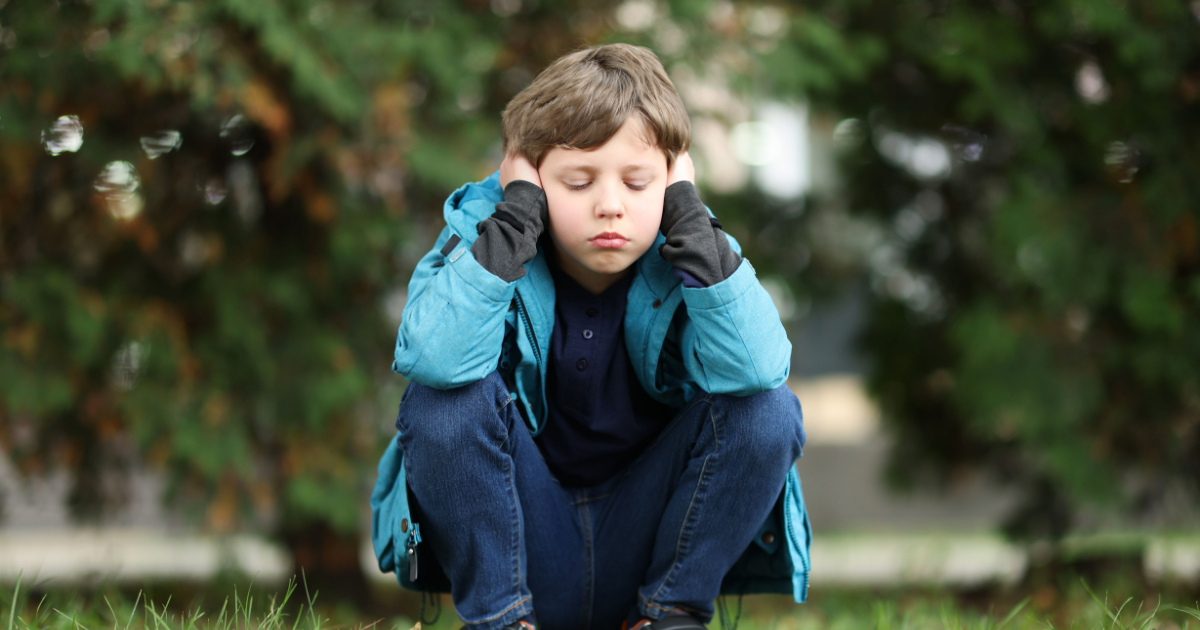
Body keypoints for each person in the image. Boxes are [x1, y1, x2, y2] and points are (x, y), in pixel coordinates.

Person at [370, 43, 810, 630]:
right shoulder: (486, 237)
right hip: (526, 551)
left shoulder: (695, 250)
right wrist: (514, 220)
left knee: (768, 410)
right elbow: (434, 360)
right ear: (525, 176)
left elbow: (759, 369)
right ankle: (503, 622)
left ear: (675, 178)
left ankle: (670, 615)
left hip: (649, 546)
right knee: (441, 404)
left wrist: (691, 223)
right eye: (577, 183)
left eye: (637, 182)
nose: (610, 206)